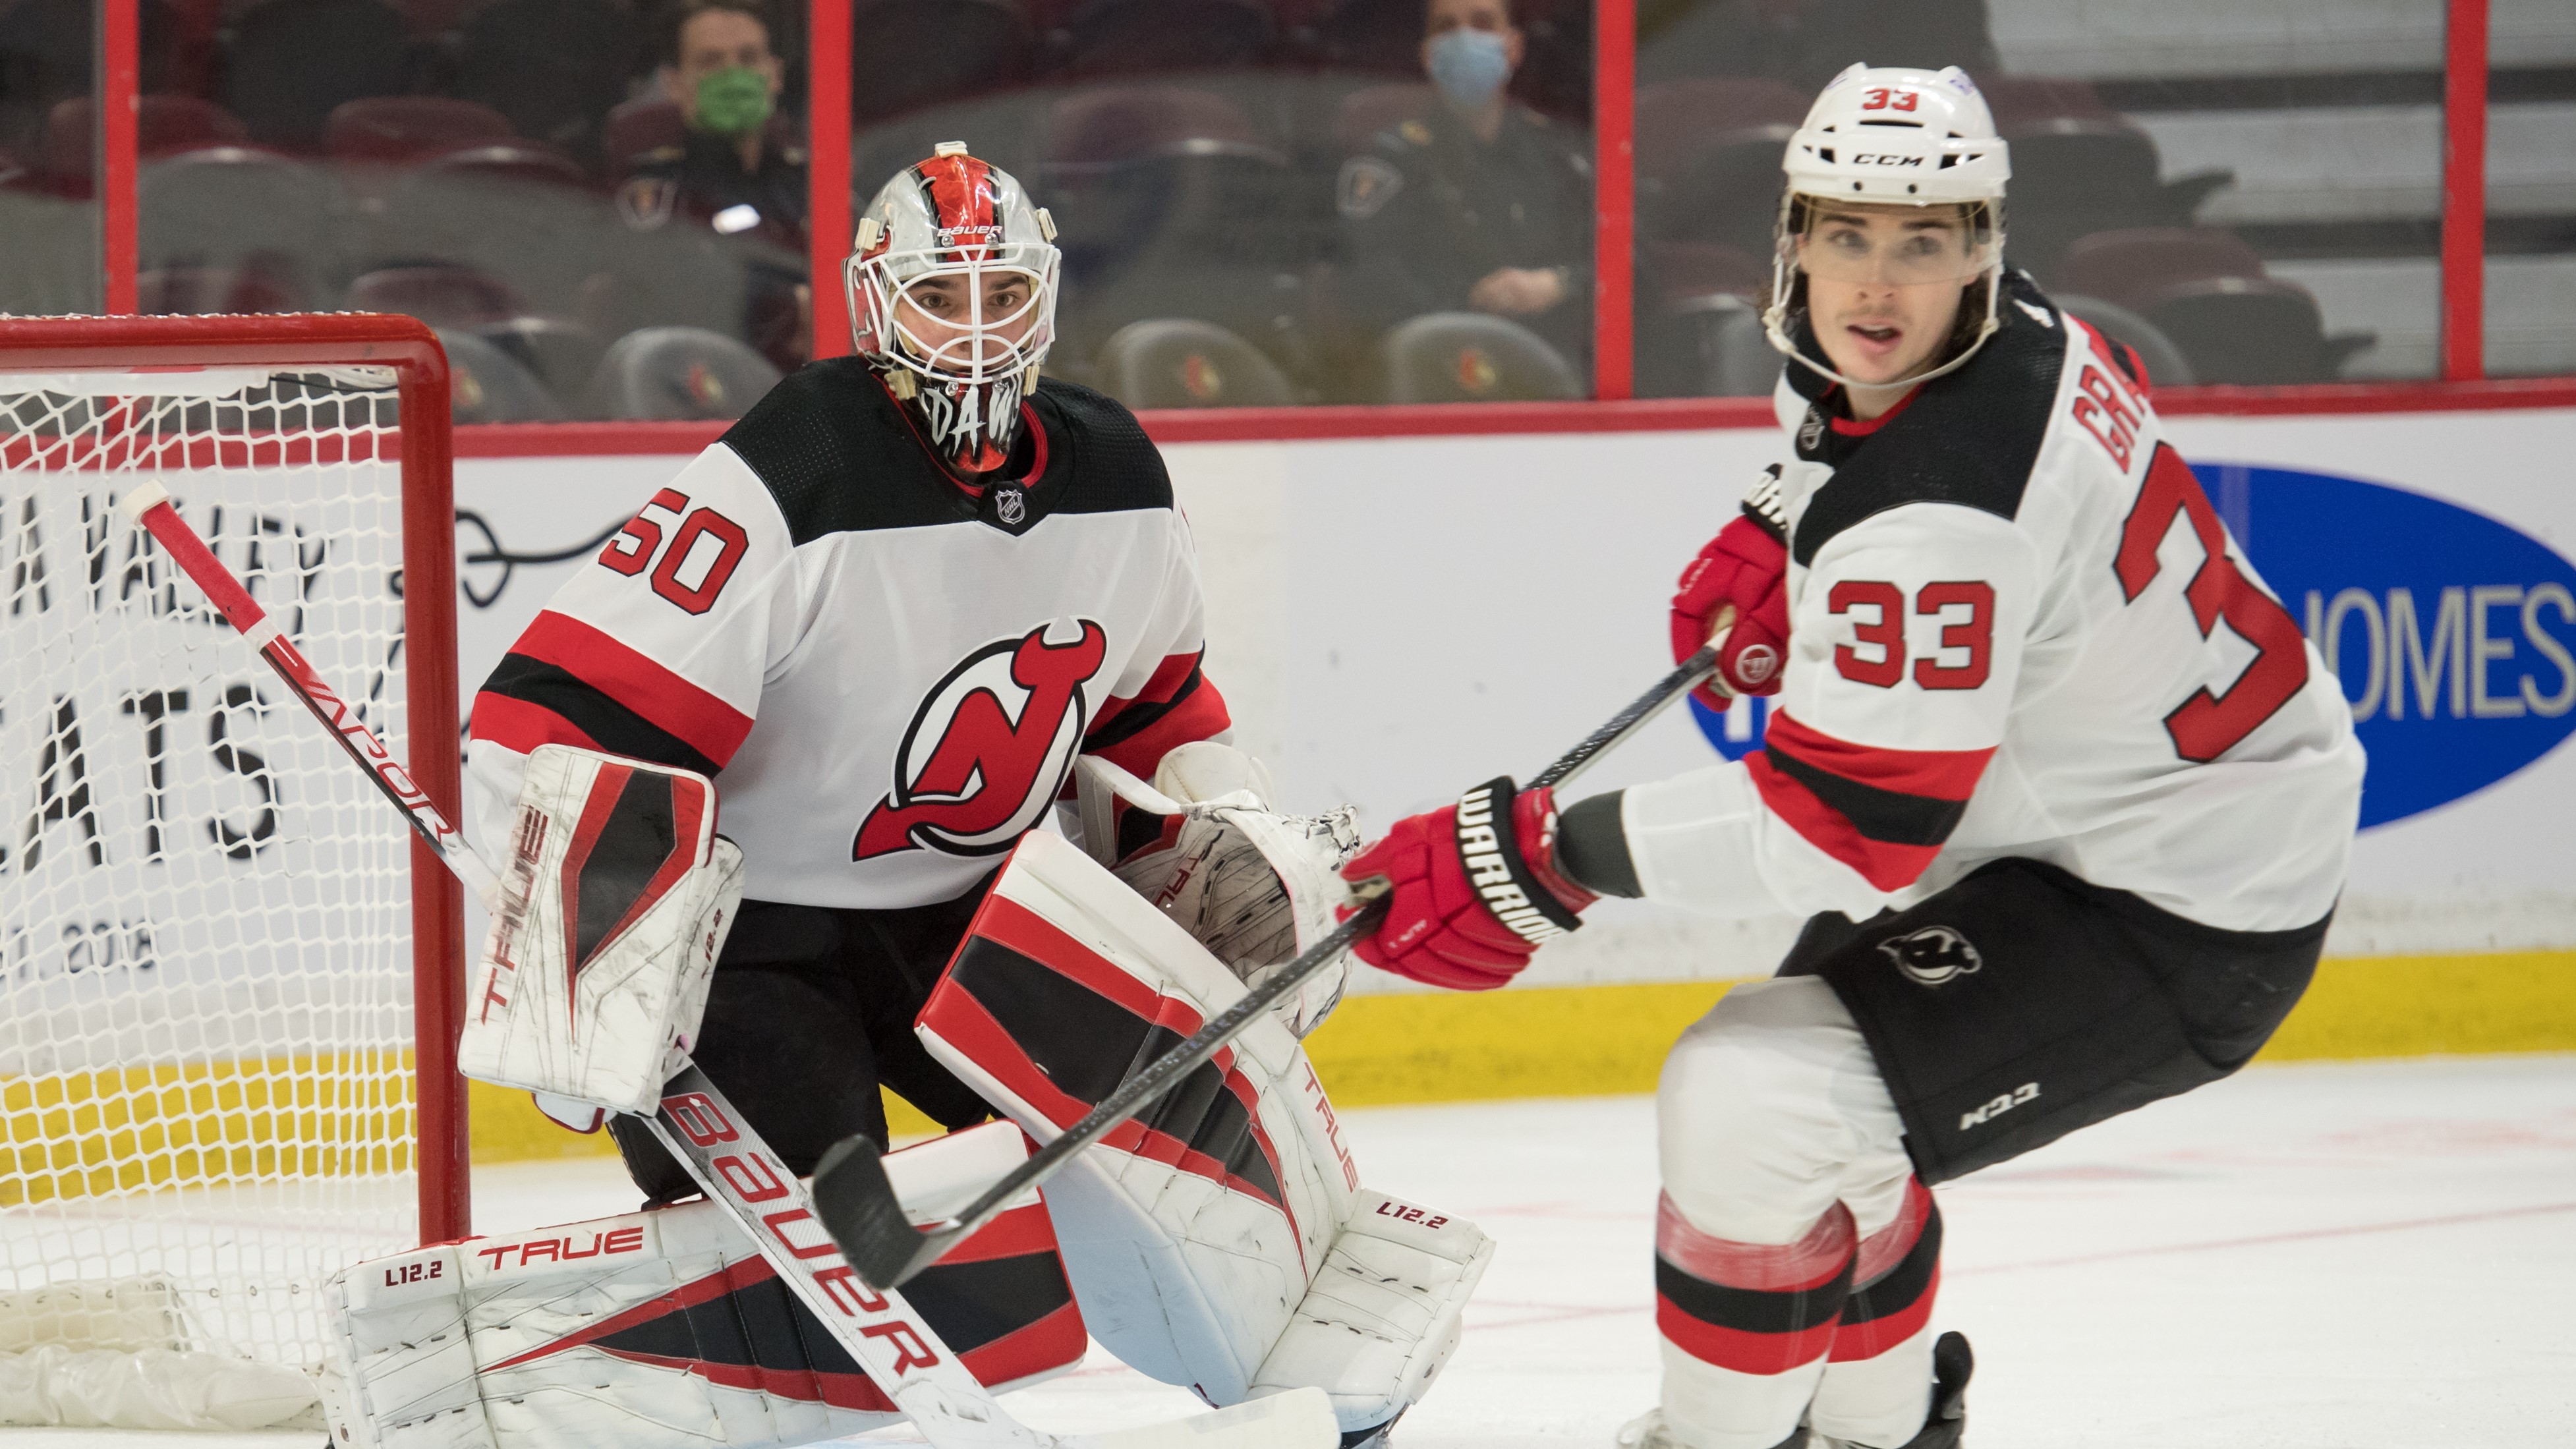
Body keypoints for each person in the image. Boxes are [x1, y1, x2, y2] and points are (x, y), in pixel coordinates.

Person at [1337, 64, 2364, 1449]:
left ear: (1977, 248)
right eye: (1846, 234)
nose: (1875, 284)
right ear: (1795, 239)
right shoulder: (2008, 328)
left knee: (1753, 1101)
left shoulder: (1937, 520)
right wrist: (1781, 521)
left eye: (1919, 242)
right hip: (2110, 808)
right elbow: (1858, 436)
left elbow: (1838, 832)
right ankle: (1882, 1429)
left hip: (2180, 901)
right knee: (1802, 1095)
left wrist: (1538, 858)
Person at [459, 145, 1462, 1449]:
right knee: (811, 1300)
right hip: (755, 937)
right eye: (940, 296)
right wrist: (576, 981)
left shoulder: (1116, 475)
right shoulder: (800, 465)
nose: (975, 330)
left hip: (983, 911)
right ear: (874, 301)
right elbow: (549, 720)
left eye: (1003, 293)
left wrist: (1230, 823)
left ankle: (1313, 1380)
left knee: (1187, 1140)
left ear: (1048, 297)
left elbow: (1159, 707)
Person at [1334, 0, 1594, 369]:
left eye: (1482, 24)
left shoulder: (1557, 154)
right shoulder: (1392, 160)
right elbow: (1367, 283)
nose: (1464, 39)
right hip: (1437, 369)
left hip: (1556, 365)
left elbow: (1633, 265)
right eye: (1446, 27)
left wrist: (1559, 284)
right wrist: (1471, 305)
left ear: (1514, 48)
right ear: (1428, 55)